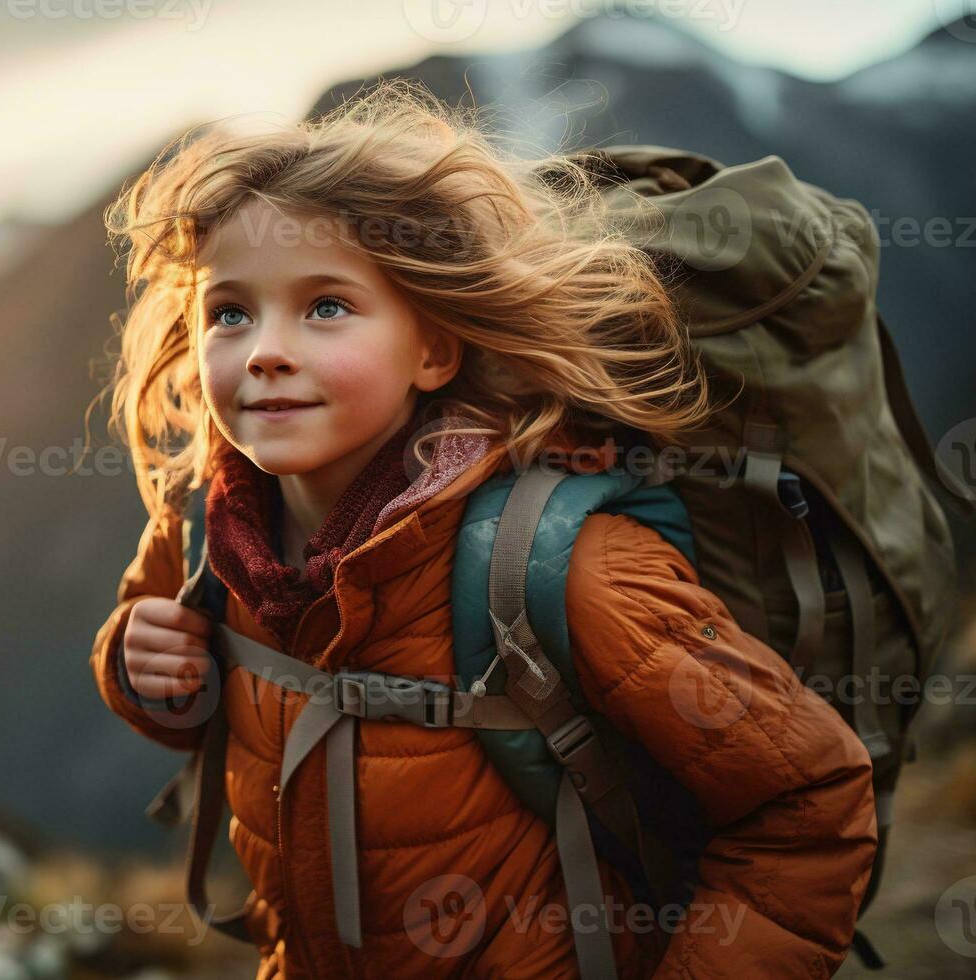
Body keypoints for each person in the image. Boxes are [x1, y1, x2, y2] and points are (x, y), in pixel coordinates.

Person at [89, 80, 876, 979]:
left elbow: (808, 799)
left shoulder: (562, 567)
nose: (265, 347)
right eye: (230, 311)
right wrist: (142, 670)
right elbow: (236, 716)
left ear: (434, 349)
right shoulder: (225, 538)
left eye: (327, 307)